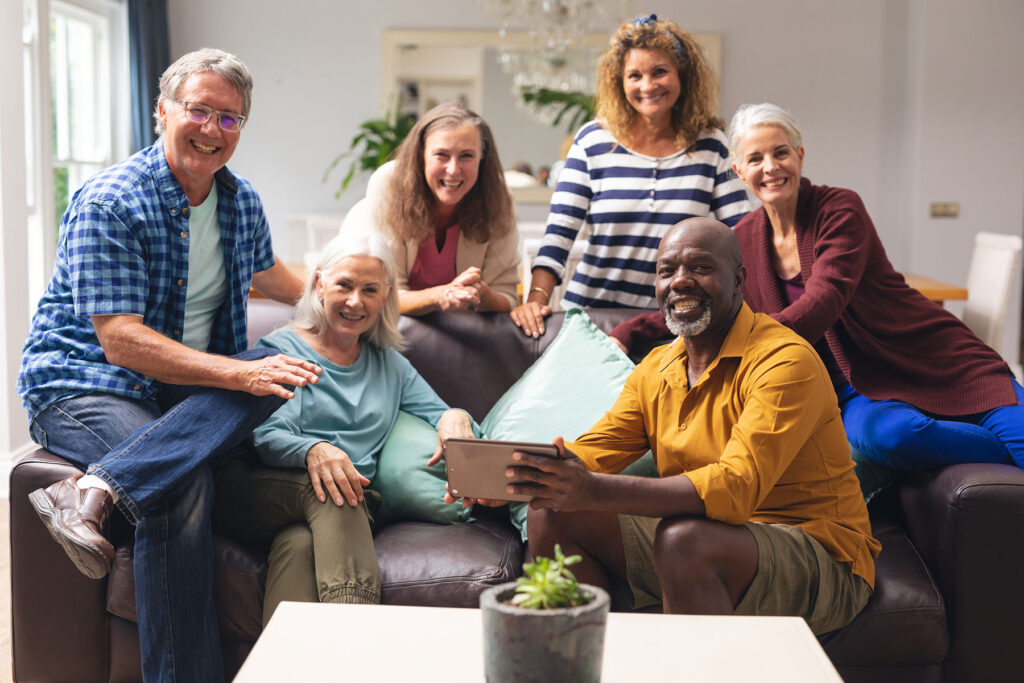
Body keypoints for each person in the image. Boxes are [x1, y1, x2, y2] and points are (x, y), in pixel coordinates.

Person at [18, 48, 321, 682]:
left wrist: (411, 298)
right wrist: (236, 375)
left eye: (229, 119)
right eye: (198, 110)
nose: (212, 130)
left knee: (273, 363)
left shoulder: (240, 204)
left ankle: (94, 490)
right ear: (163, 111)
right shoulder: (111, 202)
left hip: (174, 397)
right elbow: (122, 342)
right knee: (181, 482)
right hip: (85, 384)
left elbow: (285, 282)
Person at [500, 218, 879, 632]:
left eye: (699, 268)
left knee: (685, 539)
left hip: (818, 554)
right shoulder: (656, 367)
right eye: (667, 271)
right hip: (709, 538)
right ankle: (586, 664)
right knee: (550, 516)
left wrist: (591, 489)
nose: (679, 282)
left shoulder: (784, 360)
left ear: (738, 280)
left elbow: (735, 488)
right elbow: (594, 451)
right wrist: (511, 476)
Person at [614, 103, 1024, 471]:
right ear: (739, 171)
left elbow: (824, 301)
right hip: (857, 385)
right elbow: (703, 298)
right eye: (755, 158)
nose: (770, 166)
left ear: (800, 156)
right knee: (892, 437)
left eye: (781, 153)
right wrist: (627, 333)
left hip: (936, 359)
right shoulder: (741, 239)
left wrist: (742, 346)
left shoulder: (839, 209)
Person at [214, 231, 476, 624]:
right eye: (344, 285)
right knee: (337, 490)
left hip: (344, 512)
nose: (356, 301)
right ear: (320, 284)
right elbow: (268, 439)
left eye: (370, 290)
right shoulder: (281, 350)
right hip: (265, 487)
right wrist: (315, 449)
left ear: (385, 297)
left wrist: (455, 415)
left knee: (298, 544)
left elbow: (438, 412)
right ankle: (355, 639)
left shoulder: (389, 364)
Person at [510, 14, 751, 338]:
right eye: (634, 75)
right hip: (590, 317)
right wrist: (536, 299)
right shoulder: (592, 142)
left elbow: (743, 236)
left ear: (683, 75)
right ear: (619, 82)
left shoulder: (712, 145)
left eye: (660, 72)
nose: (647, 85)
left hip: (676, 323)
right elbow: (558, 237)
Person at [342, 103, 520, 316]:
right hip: (389, 327)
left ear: (482, 159)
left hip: (461, 333)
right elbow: (380, 295)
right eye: (441, 155)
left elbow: (508, 297)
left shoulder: (498, 197)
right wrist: (442, 295)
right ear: (421, 155)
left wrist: (482, 294)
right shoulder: (388, 183)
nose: (453, 169)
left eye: (467, 156)